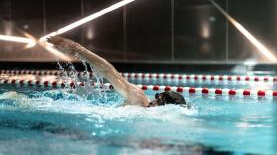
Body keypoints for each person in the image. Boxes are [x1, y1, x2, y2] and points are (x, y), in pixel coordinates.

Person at [47, 36, 186, 107]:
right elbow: (108, 70)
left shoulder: (140, 103)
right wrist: (78, 49)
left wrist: (78, 49)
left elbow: (108, 70)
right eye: (157, 96)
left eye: (158, 98)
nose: (153, 100)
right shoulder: (137, 97)